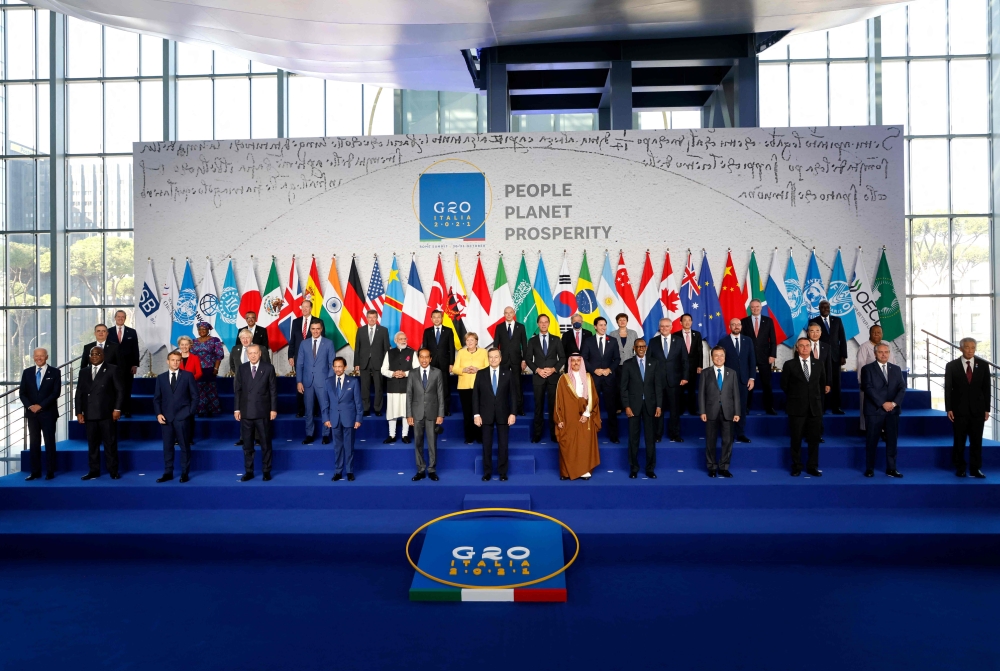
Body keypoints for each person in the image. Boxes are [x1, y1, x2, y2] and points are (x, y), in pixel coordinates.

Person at [944, 337, 991, 479]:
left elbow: (986, 388)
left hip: (978, 410)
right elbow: (948, 389)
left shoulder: (983, 365)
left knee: (977, 441)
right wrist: (949, 408)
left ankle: (976, 468)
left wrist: (987, 409)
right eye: (967, 347)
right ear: (960, 348)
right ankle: (960, 468)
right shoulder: (952, 365)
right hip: (959, 410)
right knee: (959, 440)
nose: (970, 350)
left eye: (973, 347)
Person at [75, 347, 124, 480]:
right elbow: (79, 393)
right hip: (89, 414)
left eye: (98, 354)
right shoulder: (83, 372)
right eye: (92, 354)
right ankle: (94, 470)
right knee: (92, 445)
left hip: (107, 413)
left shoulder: (112, 369)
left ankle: (113, 470)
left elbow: (120, 391)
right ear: (89, 356)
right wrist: (79, 412)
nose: (95, 356)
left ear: (103, 355)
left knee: (110, 444)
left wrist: (117, 409)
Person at [781, 337, 826, 477]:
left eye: (807, 345)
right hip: (796, 408)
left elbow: (821, 384)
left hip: (815, 408)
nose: (805, 348)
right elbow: (784, 385)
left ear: (811, 348)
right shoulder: (789, 365)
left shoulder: (819, 364)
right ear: (797, 348)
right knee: (796, 439)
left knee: (814, 440)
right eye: (802, 346)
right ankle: (796, 466)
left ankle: (812, 466)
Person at [860, 343, 906, 478]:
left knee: (892, 441)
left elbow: (901, 388)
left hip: (893, 410)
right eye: (880, 352)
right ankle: (869, 469)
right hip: (874, 411)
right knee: (871, 441)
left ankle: (891, 468)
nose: (884, 354)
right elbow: (867, 388)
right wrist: (882, 403)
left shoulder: (896, 369)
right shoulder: (867, 369)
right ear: (875, 354)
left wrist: (893, 403)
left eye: (886, 352)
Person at [153, 350, 199, 483]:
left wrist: (189, 413)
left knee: (184, 446)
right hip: (166, 418)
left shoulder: (188, 376)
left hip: (182, 418)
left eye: (178, 360)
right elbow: (157, 399)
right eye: (173, 360)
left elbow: (195, 397)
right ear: (168, 361)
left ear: (180, 361)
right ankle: (168, 472)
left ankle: (185, 473)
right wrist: (158, 414)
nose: (175, 362)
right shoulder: (161, 378)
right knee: (167, 447)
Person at [233, 344, 277, 482]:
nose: (252, 355)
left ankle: (266, 471)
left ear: (260, 353)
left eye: (255, 353)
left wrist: (273, 409)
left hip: (263, 412)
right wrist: (237, 409)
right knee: (247, 445)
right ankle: (249, 471)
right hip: (246, 412)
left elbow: (273, 391)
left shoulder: (268, 368)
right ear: (247, 354)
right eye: (250, 353)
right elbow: (238, 390)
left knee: (265, 444)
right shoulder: (242, 368)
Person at [620, 339, 663, 478]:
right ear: (634, 348)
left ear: (646, 347)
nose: (640, 349)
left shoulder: (655, 363)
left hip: (650, 406)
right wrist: (626, 406)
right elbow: (623, 388)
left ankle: (650, 469)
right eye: (638, 347)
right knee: (633, 439)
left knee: (650, 439)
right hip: (633, 407)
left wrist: (659, 405)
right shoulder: (627, 364)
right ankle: (634, 468)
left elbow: (658, 386)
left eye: (643, 347)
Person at [555, 353, 601, 481]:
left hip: (585, 416)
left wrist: (587, 414)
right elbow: (558, 401)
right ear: (570, 363)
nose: (576, 363)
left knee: (584, 444)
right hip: (569, 417)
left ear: (582, 363)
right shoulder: (563, 379)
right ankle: (567, 472)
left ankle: (584, 470)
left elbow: (593, 397)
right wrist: (559, 419)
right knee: (568, 443)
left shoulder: (588, 377)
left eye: (578, 361)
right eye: (573, 361)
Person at [473, 347, 517, 481]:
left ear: (500, 358)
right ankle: (487, 472)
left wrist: (513, 413)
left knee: (503, 445)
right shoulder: (481, 374)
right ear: (488, 358)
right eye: (491, 357)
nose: (493, 359)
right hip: (485, 415)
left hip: (504, 414)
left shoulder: (508, 373)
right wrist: (476, 414)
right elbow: (475, 396)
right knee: (486, 445)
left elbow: (513, 395)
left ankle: (503, 472)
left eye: (496, 357)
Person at [19, 348, 61, 481]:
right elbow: (22, 393)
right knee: (34, 443)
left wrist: (41, 405)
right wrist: (31, 406)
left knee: (49, 443)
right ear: (33, 357)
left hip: (48, 413)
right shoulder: (27, 372)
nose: (39, 358)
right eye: (36, 356)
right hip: (32, 414)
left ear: (46, 357)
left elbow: (55, 393)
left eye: (41, 356)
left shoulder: (55, 372)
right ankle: (35, 472)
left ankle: (50, 471)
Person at [699, 346, 741, 478]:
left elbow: (736, 394)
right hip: (710, 411)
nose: (719, 358)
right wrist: (702, 411)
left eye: (721, 355)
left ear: (725, 357)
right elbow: (701, 394)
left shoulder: (732, 373)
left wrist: (737, 412)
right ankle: (711, 467)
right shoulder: (705, 373)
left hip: (728, 412)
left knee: (727, 441)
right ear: (711, 358)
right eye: (716, 355)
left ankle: (724, 467)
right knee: (710, 441)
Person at [646, 317, 688, 443]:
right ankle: (657, 435)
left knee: (675, 410)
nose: (664, 328)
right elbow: (649, 361)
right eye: (662, 326)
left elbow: (684, 360)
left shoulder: (679, 341)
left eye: (667, 326)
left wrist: (685, 377)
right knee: (658, 409)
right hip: (657, 382)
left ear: (671, 327)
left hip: (674, 381)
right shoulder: (653, 342)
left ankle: (674, 434)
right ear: (659, 327)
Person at [581, 316, 621, 443]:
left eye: (605, 325)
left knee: (611, 408)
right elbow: (583, 358)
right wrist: (594, 370)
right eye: (601, 325)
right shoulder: (588, 341)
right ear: (595, 327)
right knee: (591, 407)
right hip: (594, 379)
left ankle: (613, 436)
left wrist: (609, 369)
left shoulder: (613, 341)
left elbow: (617, 359)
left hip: (609, 379)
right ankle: (590, 434)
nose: (603, 327)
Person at [407, 349, 445, 481]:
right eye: (421, 357)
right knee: (418, 442)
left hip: (432, 414)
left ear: (430, 359)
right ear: (418, 358)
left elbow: (440, 394)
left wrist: (441, 414)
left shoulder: (437, 373)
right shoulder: (412, 373)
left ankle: (432, 469)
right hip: (416, 413)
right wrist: (409, 414)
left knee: (432, 443)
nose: (424, 360)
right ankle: (421, 469)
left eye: (426, 357)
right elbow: (409, 395)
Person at [716, 318, 756, 443]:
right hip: (728, 381)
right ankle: (729, 434)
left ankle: (740, 433)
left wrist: (752, 378)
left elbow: (752, 360)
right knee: (728, 408)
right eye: (733, 324)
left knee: (742, 408)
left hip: (744, 380)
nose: (736, 326)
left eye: (738, 324)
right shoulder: (723, 341)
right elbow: (720, 362)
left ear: (741, 326)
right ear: (729, 326)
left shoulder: (748, 340)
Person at [527, 314, 565, 443]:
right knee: (538, 407)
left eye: (546, 322)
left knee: (553, 407)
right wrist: (537, 370)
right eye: (541, 322)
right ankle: (537, 434)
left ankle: (554, 434)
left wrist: (554, 369)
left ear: (549, 324)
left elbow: (563, 358)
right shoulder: (532, 341)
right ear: (538, 324)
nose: (543, 324)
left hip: (553, 378)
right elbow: (528, 359)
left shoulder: (556, 339)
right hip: (538, 378)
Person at [324, 357, 362, 481]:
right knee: (337, 447)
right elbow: (325, 402)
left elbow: (358, 403)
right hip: (334, 419)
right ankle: (338, 471)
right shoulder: (328, 382)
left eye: (340, 366)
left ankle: (350, 471)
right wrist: (326, 418)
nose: (338, 369)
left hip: (349, 419)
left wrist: (358, 419)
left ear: (345, 367)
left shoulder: (353, 382)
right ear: (332, 367)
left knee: (349, 446)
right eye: (336, 366)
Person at [297, 321, 335, 445]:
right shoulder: (304, 343)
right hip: (307, 382)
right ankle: (309, 434)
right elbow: (300, 364)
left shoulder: (328, 343)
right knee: (308, 410)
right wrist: (299, 381)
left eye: (318, 329)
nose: (315, 331)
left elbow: (332, 364)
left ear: (321, 329)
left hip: (323, 381)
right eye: (313, 329)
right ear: (310, 330)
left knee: (325, 408)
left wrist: (329, 380)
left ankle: (325, 435)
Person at [809, 300, 847, 414]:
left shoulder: (837, 320)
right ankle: (822, 407)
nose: (825, 309)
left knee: (836, 383)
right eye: (823, 307)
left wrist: (843, 355)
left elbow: (842, 338)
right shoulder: (813, 321)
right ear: (819, 308)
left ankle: (836, 407)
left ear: (830, 308)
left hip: (835, 357)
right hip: (821, 357)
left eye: (827, 307)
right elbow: (812, 338)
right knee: (821, 381)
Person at [856, 325, 896, 431]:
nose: (876, 334)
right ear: (870, 334)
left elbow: (893, 363)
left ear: (882, 334)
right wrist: (862, 384)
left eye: (879, 332)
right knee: (869, 408)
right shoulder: (864, 347)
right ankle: (866, 429)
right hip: (870, 384)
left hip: (886, 383)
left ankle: (884, 430)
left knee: (886, 407)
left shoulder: (887, 345)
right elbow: (861, 366)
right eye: (874, 332)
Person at [289, 299, 324, 417]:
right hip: (299, 359)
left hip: (313, 359)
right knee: (300, 384)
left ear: (311, 308)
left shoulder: (318, 322)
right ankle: (301, 410)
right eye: (302, 307)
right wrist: (290, 355)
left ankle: (313, 411)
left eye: (307, 307)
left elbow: (322, 341)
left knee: (313, 385)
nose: (304, 309)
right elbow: (292, 340)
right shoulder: (295, 322)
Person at [381, 331, 418, 444]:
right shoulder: (389, 353)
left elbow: (416, 369)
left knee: (406, 412)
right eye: (401, 339)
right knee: (392, 412)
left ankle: (404, 435)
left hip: (407, 386)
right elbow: (383, 370)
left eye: (405, 339)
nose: (403, 341)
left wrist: (405, 374)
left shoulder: (412, 352)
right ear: (395, 341)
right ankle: (392, 435)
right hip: (393, 386)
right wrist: (393, 374)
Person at [742, 299, 778, 415]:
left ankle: (769, 407)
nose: (755, 309)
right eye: (752, 307)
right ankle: (746, 407)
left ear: (761, 307)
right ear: (750, 308)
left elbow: (773, 340)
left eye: (757, 306)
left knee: (766, 383)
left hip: (765, 357)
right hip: (748, 357)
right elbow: (742, 341)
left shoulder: (768, 321)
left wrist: (772, 354)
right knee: (748, 383)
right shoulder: (744, 321)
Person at [452, 332, 488, 444]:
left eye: (472, 340)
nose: (469, 342)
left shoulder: (484, 352)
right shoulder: (461, 353)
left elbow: (488, 367)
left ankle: (480, 436)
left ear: (476, 341)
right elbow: (454, 369)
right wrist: (464, 370)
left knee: (480, 412)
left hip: (480, 386)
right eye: (467, 340)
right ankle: (469, 437)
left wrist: (478, 369)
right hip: (464, 387)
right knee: (467, 413)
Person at [354, 309, 390, 416]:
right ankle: (366, 408)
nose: (372, 319)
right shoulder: (361, 330)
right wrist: (356, 363)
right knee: (365, 387)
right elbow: (357, 348)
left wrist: (386, 364)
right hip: (364, 362)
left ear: (377, 318)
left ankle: (377, 409)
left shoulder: (383, 330)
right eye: (370, 317)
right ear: (367, 318)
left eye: (374, 317)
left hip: (378, 363)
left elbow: (386, 349)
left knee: (379, 387)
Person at [494, 306, 528, 415]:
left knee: (517, 385)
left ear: (514, 314)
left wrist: (524, 360)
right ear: (504, 314)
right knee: (502, 385)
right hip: (503, 361)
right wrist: (496, 360)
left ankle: (519, 409)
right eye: (506, 313)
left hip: (516, 360)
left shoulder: (521, 327)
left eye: (510, 312)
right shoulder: (499, 327)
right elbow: (495, 345)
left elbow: (525, 345)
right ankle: (503, 409)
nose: (508, 315)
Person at [422, 309, 456, 417]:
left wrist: (451, 363)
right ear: (431, 319)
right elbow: (425, 348)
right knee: (431, 387)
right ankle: (432, 409)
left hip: (444, 363)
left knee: (445, 387)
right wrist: (425, 362)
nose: (436, 319)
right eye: (434, 317)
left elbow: (451, 348)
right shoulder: (427, 331)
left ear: (442, 318)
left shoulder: (448, 330)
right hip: (430, 363)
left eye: (438, 317)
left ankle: (445, 409)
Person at [108, 310, 139, 417]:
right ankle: (115, 409)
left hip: (127, 366)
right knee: (113, 388)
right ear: (115, 318)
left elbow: (135, 349)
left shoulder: (132, 332)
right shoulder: (108, 332)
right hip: (112, 366)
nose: (120, 318)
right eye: (118, 316)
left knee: (126, 388)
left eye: (122, 317)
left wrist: (135, 364)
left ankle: (126, 410)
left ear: (125, 318)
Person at [191, 321, 225, 417]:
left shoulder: (215, 340)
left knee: (210, 390)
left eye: (204, 329)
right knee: (198, 390)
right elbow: (191, 356)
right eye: (199, 329)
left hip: (210, 369)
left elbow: (219, 355)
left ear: (208, 330)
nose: (201, 331)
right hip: (196, 370)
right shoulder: (193, 341)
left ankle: (211, 410)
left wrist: (216, 368)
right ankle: (200, 410)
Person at [676, 314, 703, 415]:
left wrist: (700, 365)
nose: (687, 322)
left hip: (693, 366)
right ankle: (680, 409)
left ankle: (692, 410)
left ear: (691, 322)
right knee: (680, 390)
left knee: (692, 390)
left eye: (689, 320)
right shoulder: (676, 335)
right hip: (680, 367)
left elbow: (700, 351)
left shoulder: (697, 334)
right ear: (681, 322)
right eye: (685, 320)